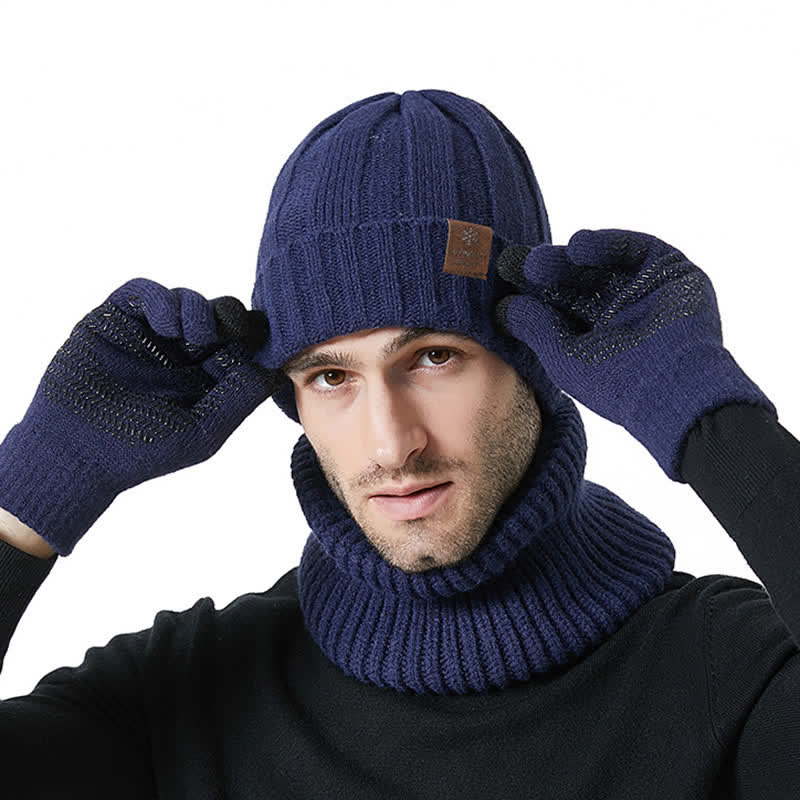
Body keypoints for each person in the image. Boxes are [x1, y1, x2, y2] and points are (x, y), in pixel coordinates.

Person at [0, 88, 797, 797]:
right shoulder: (182, 700)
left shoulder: (728, 673)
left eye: (435, 357)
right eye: (331, 377)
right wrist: (34, 487)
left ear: (536, 360)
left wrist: (713, 422)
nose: (391, 443)